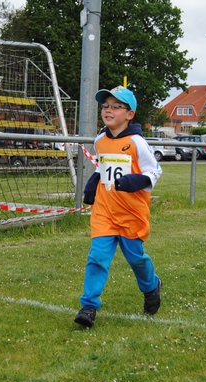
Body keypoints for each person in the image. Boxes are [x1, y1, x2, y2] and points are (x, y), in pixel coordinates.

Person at [74, 86, 163, 328]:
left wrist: (133, 181)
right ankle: (89, 306)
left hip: (131, 213)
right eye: (105, 106)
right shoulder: (100, 140)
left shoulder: (136, 142)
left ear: (129, 114)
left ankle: (151, 286)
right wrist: (93, 184)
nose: (108, 110)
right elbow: (103, 168)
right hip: (105, 211)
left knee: (136, 259)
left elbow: (154, 172)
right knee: (97, 257)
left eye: (116, 106)